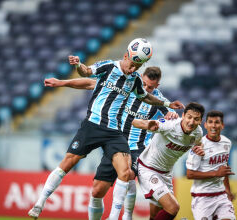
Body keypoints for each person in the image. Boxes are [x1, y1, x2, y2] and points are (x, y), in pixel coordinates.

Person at [28, 38, 184, 219]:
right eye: (133, 64)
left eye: (137, 67)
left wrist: (168, 104)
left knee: (127, 173)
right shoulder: (109, 67)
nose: (133, 69)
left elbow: (146, 97)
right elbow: (86, 73)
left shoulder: (134, 81)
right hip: (92, 125)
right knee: (72, 167)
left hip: (115, 133)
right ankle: (40, 203)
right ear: (126, 55)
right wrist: (76, 67)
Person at [132, 102, 205, 220]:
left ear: (201, 121)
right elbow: (140, 123)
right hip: (148, 169)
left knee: (156, 216)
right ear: (184, 116)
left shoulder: (198, 133)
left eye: (196, 119)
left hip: (166, 175)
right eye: (189, 117)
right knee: (173, 208)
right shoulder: (170, 125)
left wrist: (199, 150)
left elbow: (198, 144)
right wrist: (125, 118)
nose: (191, 122)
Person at [186, 110, 236, 220]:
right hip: (202, 197)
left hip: (221, 195)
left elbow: (223, 167)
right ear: (205, 125)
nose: (213, 125)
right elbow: (189, 174)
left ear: (222, 125)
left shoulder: (227, 143)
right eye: (210, 122)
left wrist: (228, 190)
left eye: (217, 122)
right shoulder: (199, 146)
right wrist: (216, 173)